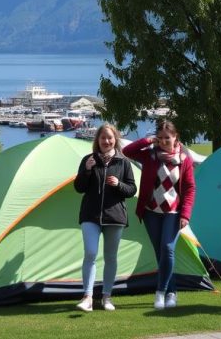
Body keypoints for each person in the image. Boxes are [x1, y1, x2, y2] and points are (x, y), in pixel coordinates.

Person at [123, 119, 196, 310]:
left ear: (176, 137)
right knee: (160, 254)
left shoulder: (184, 160)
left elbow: (189, 188)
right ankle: (172, 292)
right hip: (151, 212)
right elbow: (127, 151)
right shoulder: (150, 156)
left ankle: (161, 292)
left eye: (167, 138)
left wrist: (185, 214)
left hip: (173, 212)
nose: (164, 141)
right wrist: (148, 141)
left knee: (168, 248)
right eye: (161, 138)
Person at [73, 123, 137, 312]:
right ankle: (88, 297)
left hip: (114, 216)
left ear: (115, 139)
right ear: (98, 140)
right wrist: (87, 170)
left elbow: (132, 190)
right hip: (90, 215)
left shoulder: (123, 162)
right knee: (90, 254)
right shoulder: (88, 160)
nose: (106, 141)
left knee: (110, 257)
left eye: (110, 138)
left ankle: (107, 297)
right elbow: (79, 188)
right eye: (103, 138)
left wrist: (118, 184)